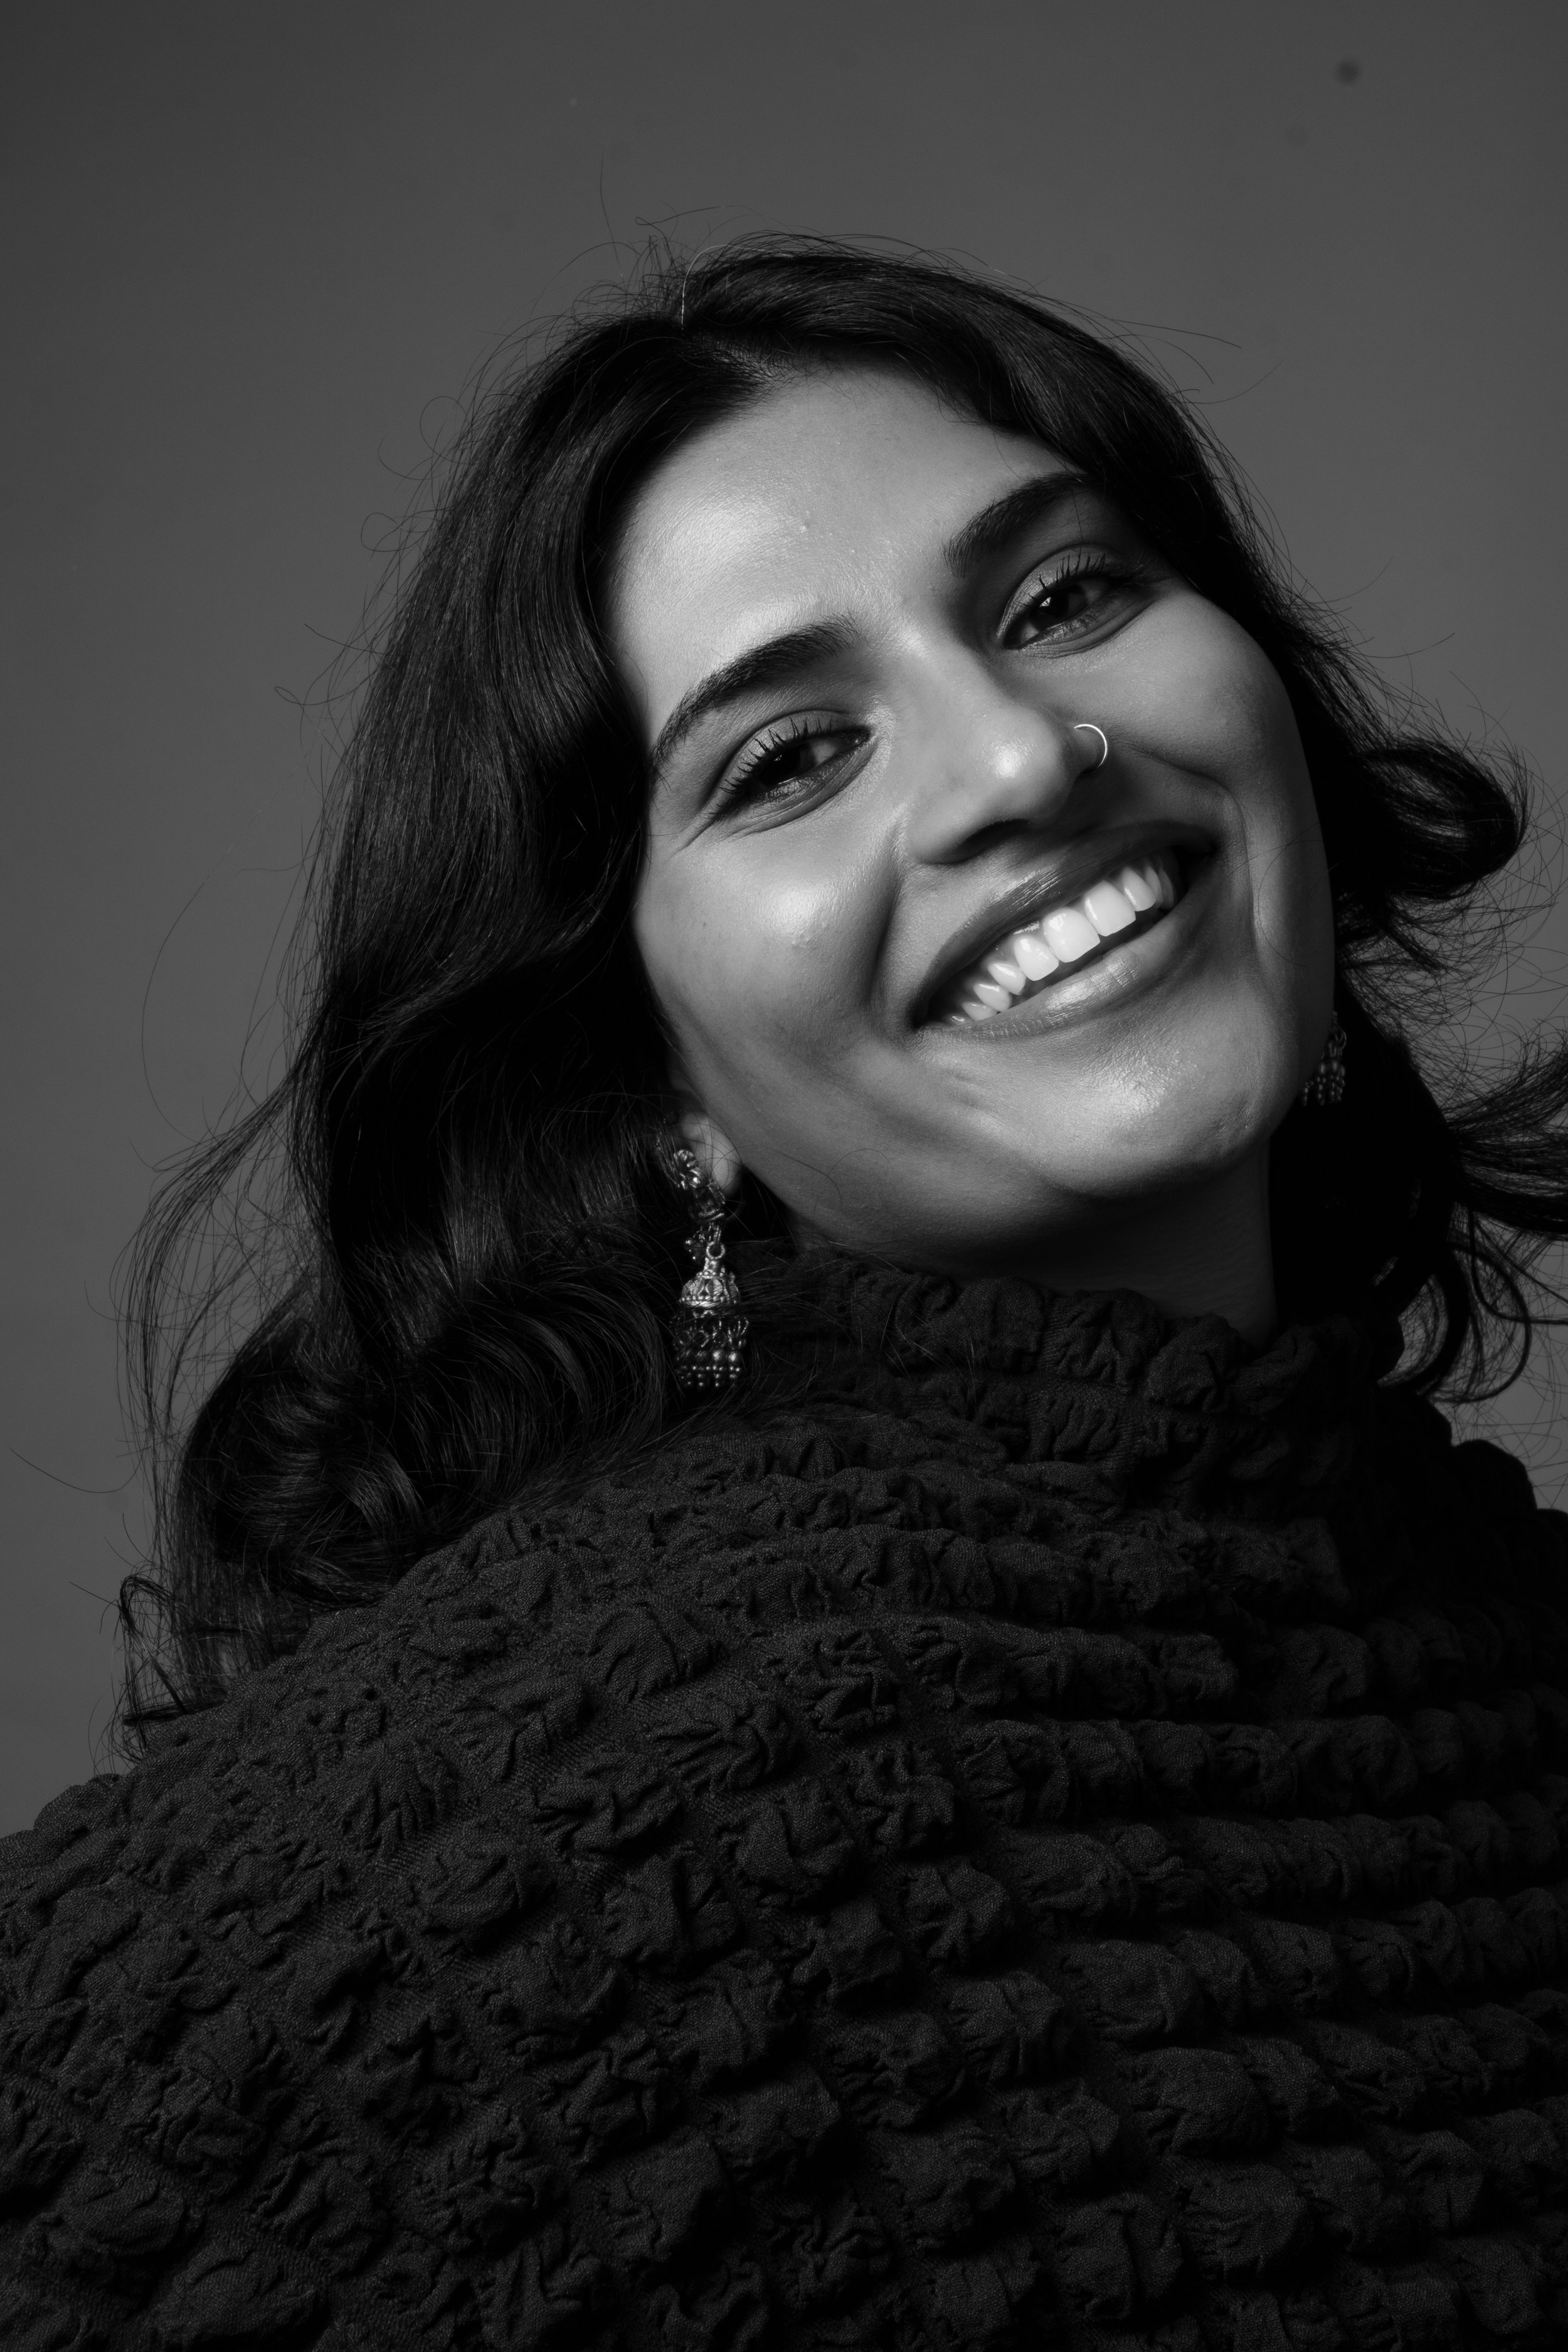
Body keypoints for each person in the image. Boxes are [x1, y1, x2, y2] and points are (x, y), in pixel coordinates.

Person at [4, 236, 1568, 2351]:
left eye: (1061, 600)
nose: (1019, 763)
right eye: (790, 759)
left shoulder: (1502, 1636)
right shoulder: (603, 1779)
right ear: (639, 1065)